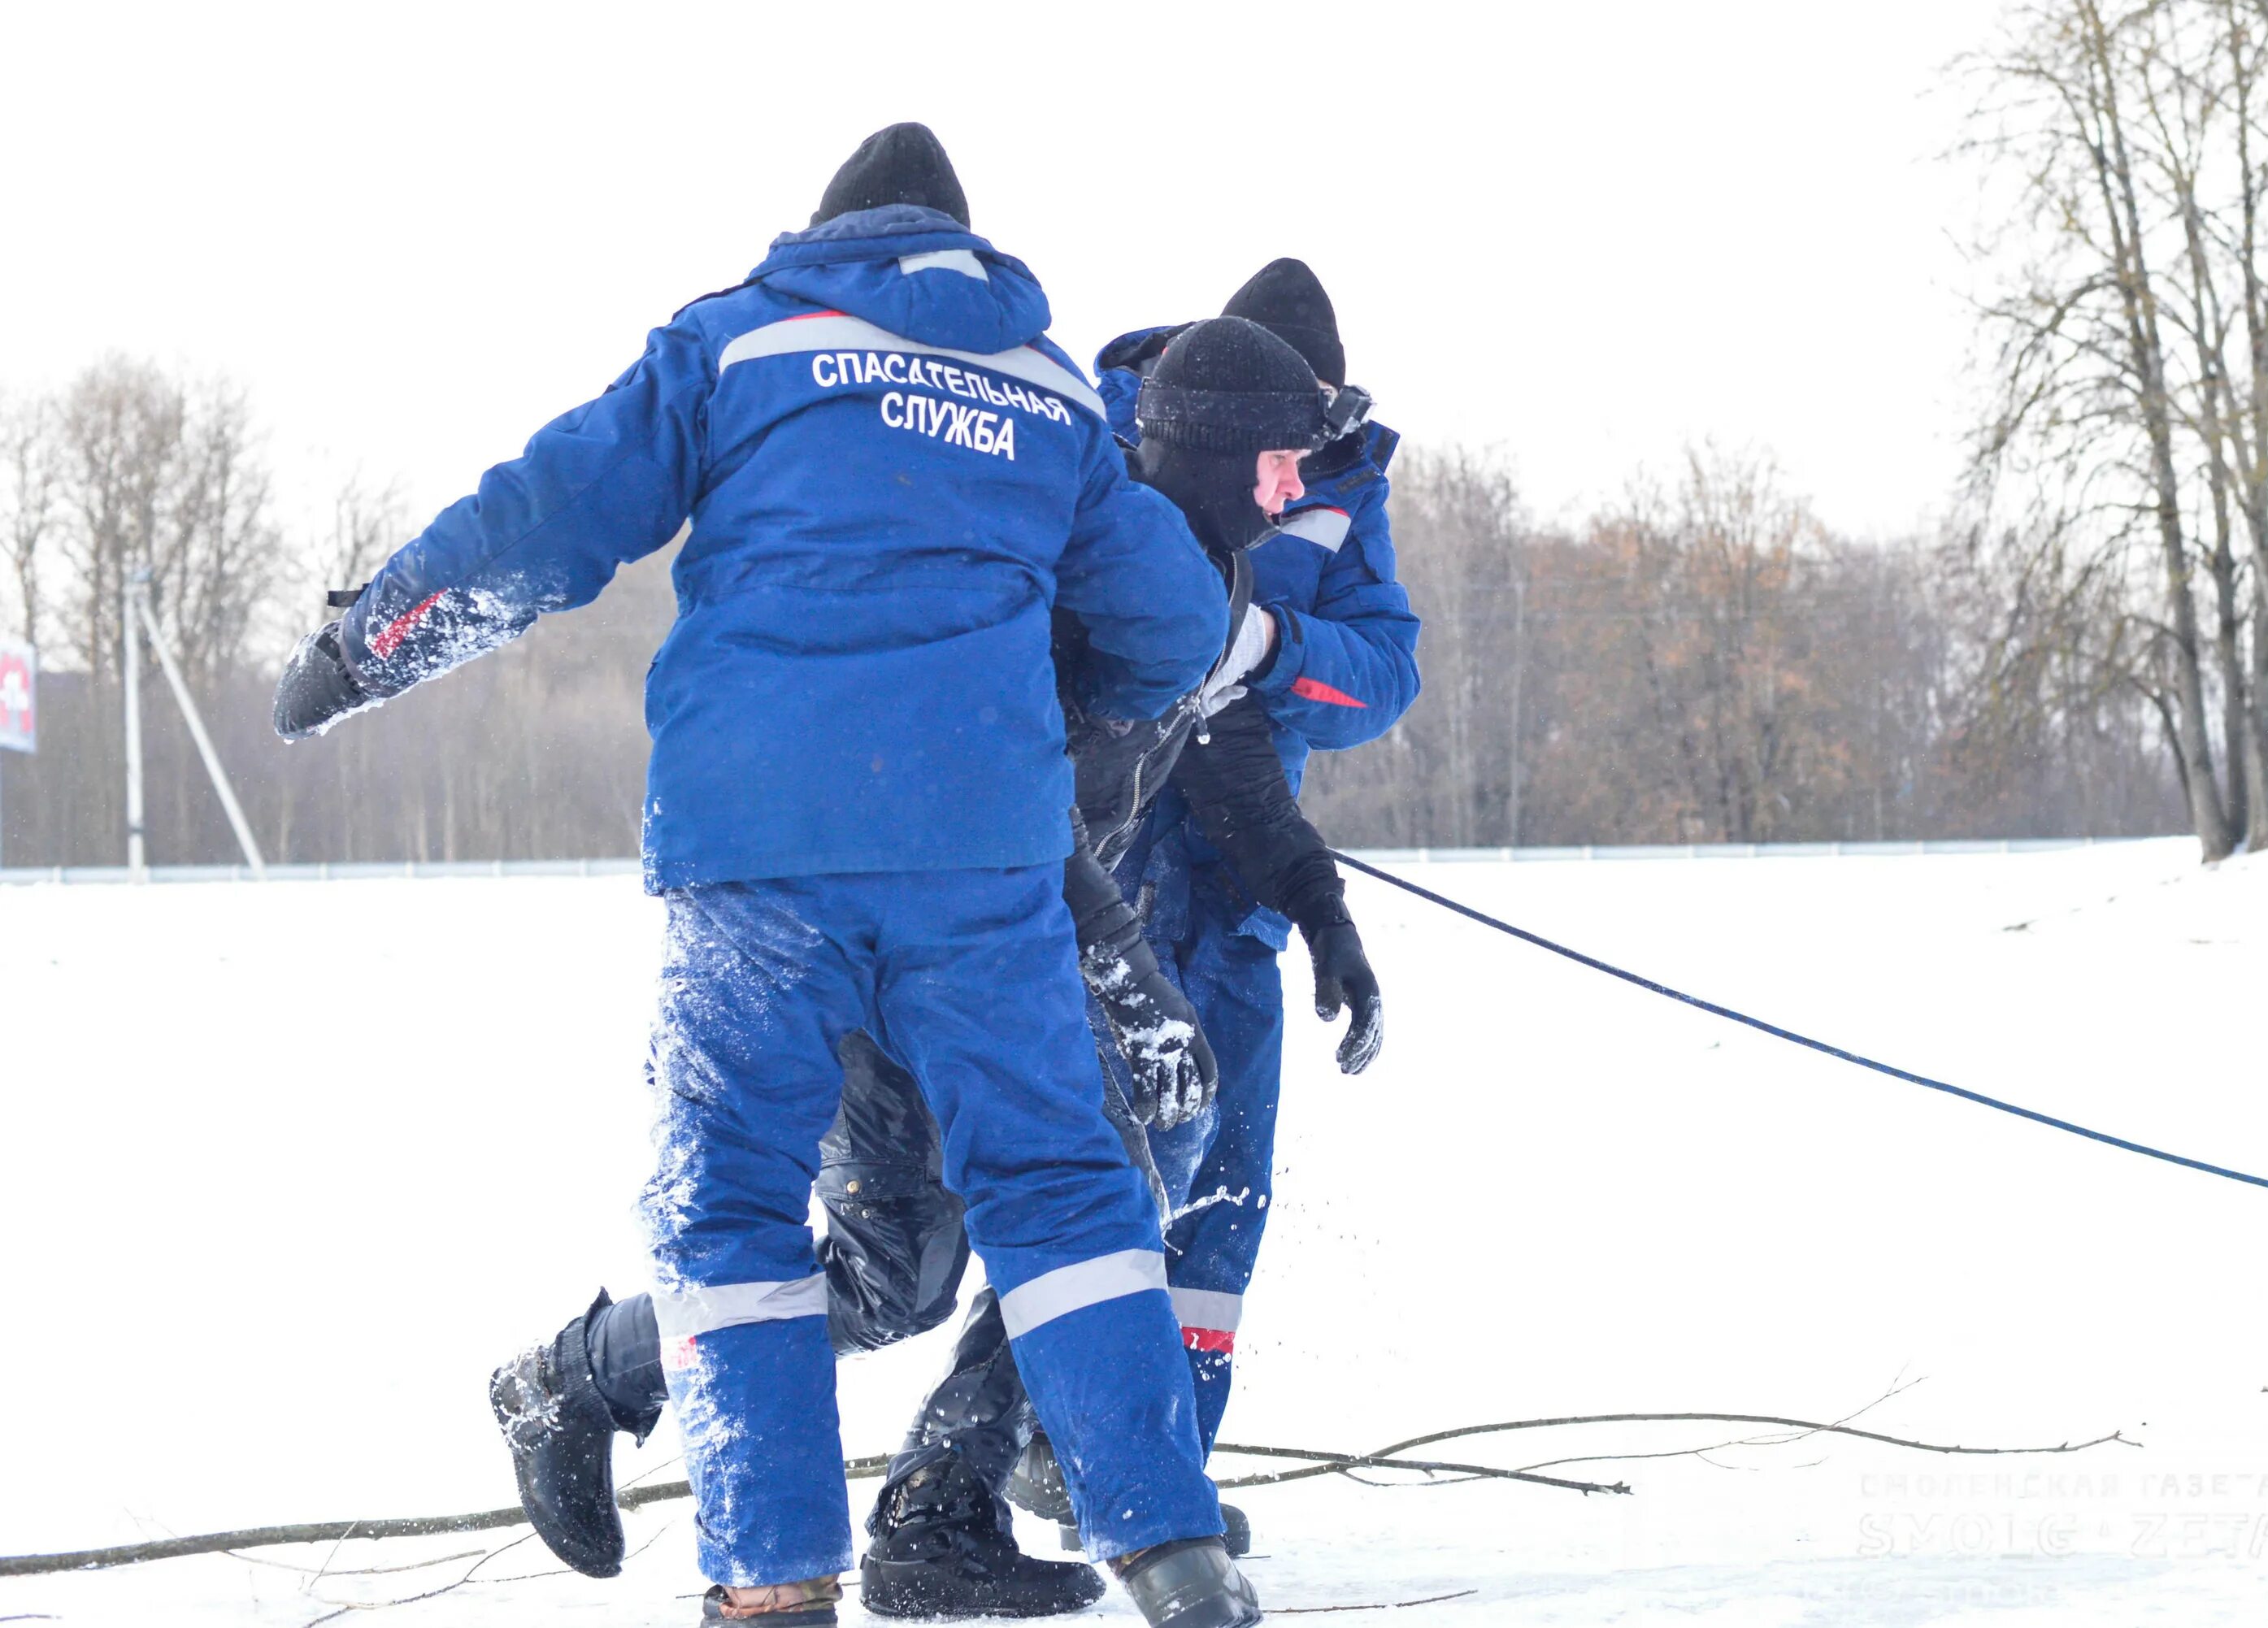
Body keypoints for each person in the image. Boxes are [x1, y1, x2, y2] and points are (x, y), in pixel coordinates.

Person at [272, 124, 1259, 1628]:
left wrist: (366, 643)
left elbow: (548, 518)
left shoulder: (738, 344)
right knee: (1061, 1189)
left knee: (733, 1207)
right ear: (962, 248)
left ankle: (773, 1583)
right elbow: (1180, 632)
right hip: (978, 863)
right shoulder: (1049, 387)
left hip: (755, 861)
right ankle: (1171, 1551)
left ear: (828, 233)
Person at [493, 317, 1384, 1623]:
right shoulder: (1084, 565)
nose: (1303, 489)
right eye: (1285, 459)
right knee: (924, 1261)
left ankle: (941, 1501)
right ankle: (582, 1377)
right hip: (920, 918)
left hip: (1010, 938)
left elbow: (1224, 749)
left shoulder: (1215, 582)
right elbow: (1005, 796)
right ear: (1220, 450)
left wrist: (1320, 905)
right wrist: (1124, 966)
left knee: (1090, 1184)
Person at [1079, 262, 1420, 1550]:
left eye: (1316, 433)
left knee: (1223, 1184)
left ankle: (1159, 1468)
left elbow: (1384, 676)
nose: (1296, 473)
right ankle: (1054, 1441)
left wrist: (1272, 655)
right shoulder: (1114, 447)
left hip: (1245, 870)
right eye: (1283, 440)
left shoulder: (1346, 485)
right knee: (1105, 1169)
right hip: (1096, 863)